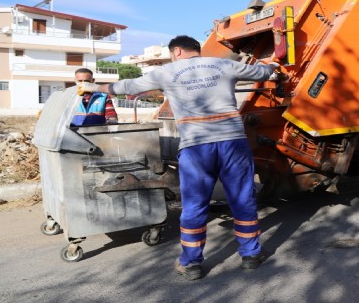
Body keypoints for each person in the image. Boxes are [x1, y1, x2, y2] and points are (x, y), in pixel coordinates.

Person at [77, 35, 279, 281]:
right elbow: (262, 73)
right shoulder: (224, 64)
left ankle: (191, 263)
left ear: (177, 52)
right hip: (232, 144)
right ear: (196, 50)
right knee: (242, 199)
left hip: (196, 148)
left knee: (195, 205)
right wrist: (272, 67)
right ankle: (251, 255)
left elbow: (127, 87)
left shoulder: (166, 72)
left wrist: (93, 87)